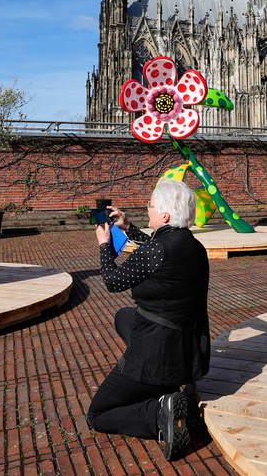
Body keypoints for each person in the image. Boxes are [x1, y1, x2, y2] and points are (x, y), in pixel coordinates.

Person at [86, 179, 210, 461]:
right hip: (188, 349)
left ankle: (157, 414)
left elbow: (113, 281)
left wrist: (105, 245)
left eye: (151, 206)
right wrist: (128, 228)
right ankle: (164, 389)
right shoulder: (193, 246)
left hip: (158, 355)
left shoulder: (156, 251)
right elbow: (158, 248)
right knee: (123, 316)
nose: (148, 209)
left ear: (164, 215)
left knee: (98, 414)